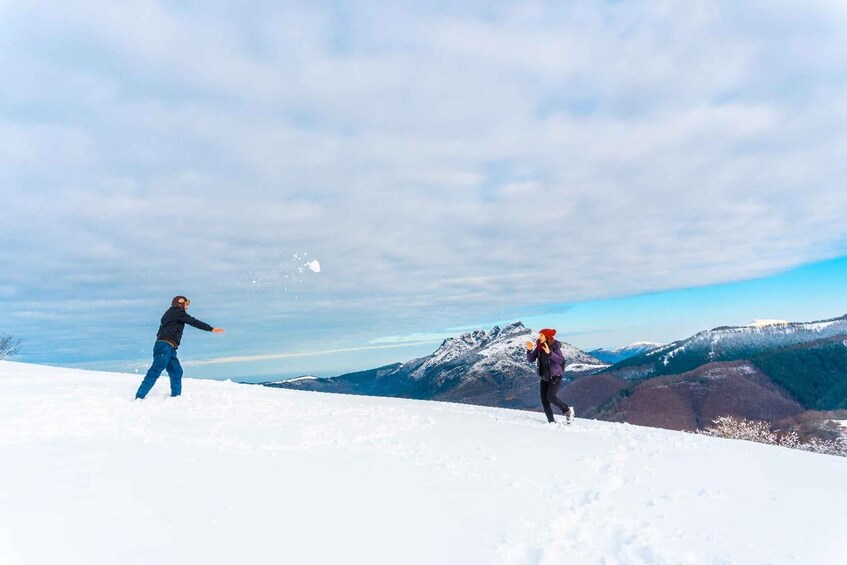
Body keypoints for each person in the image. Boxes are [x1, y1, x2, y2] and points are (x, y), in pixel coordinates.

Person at [135, 296, 224, 399]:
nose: (187, 307)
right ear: (180, 303)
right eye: (186, 304)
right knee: (156, 369)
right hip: (165, 346)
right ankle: (139, 396)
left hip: (169, 347)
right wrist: (211, 329)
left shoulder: (169, 314)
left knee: (176, 371)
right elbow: (193, 322)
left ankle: (176, 398)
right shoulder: (177, 312)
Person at [526, 328, 574, 424]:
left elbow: (561, 360)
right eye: (539, 335)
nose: (539, 337)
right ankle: (551, 422)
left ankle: (567, 411)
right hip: (544, 377)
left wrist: (550, 353)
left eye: (541, 335)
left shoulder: (555, 346)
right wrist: (529, 350)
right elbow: (531, 359)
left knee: (551, 396)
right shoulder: (539, 347)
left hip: (555, 376)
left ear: (547, 337)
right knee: (544, 401)